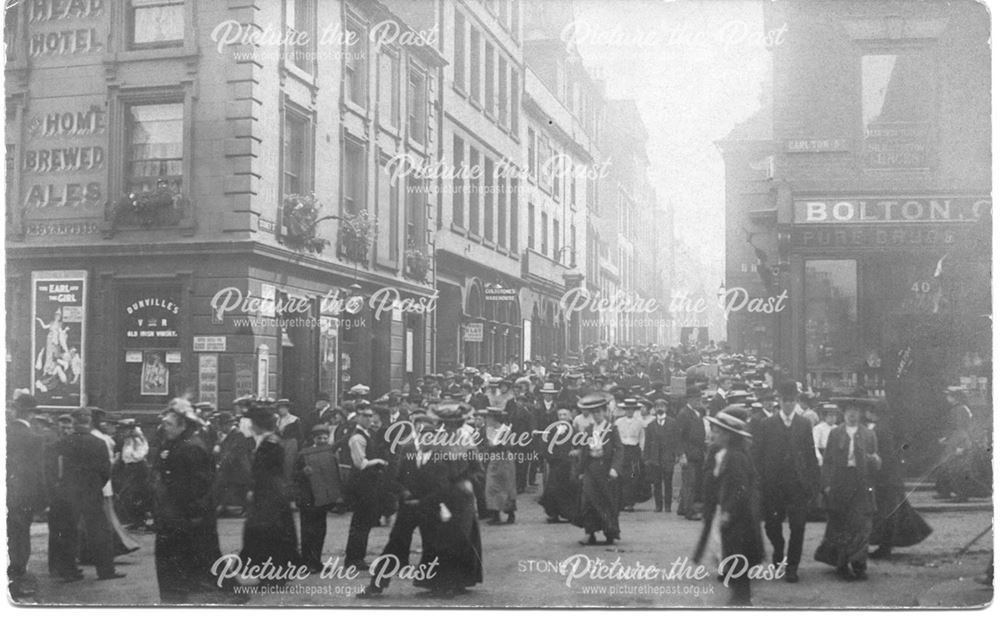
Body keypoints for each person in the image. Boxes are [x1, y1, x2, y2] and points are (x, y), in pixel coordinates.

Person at [154, 398, 230, 602]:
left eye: (169, 424)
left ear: (183, 424)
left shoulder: (191, 447)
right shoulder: (175, 443)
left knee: (201, 556)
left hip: (188, 512)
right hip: (176, 511)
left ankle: (183, 595)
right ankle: (179, 593)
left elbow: (200, 485)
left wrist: (193, 512)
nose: (165, 427)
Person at [414, 402, 484, 597]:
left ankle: (457, 581)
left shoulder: (468, 441)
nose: (451, 427)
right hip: (440, 495)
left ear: (461, 423)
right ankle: (438, 582)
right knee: (438, 538)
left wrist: (469, 482)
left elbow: (478, 470)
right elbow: (431, 468)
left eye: (455, 424)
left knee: (460, 536)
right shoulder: (438, 441)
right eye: (447, 423)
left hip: (462, 498)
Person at [751, 380, 819, 583]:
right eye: (785, 400)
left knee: (798, 526)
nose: (788, 404)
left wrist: (814, 482)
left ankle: (792, 567)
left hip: (797, 484)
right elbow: (758, 456)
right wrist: (759, 480)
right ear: (778, 401)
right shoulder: (767, 424)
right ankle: (779, 549)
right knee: (772, 525)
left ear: (796, 401)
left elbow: (810, 455)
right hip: (773, 484)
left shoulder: (804, 424)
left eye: (792, 401)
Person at [694, 408, 763, 606]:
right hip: (734, 516)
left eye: (716, 431)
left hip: (739, 519)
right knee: (732, 556)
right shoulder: (726, 453)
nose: (713, 434)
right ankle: (739, 597)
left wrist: (729, 512)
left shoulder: (735, 457)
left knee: (738, 558)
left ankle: (741, 601)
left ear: (727, 435)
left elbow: (741, 489)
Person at [49, 408, 124, 582]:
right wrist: (96, 486)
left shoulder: (63, 442)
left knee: (68, 531)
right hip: (92, 493)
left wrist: (58, 486)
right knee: (99, 531)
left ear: (74, 423)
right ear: (89, 422)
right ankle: (105, 570)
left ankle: (69, 571)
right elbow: (106, 471)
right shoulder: (99, 443)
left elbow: (50, 464)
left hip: (68, 493)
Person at [815, 398, 881, 581]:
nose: (852, 414)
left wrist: (874, 461)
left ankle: (859, 565)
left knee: (861, 525)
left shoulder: (868, 434)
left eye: (855, 411)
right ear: (843, 414)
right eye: (848, 411)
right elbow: (828, 461)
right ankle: (842, 564)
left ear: (860, 414)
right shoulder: (836, 433)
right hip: (840, 483)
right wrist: (826, 484)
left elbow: (875, 460)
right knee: (840, 523)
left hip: (861, 483)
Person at [241, 400, 301, 581]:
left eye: (253, 423)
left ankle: (271, 575)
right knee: (274, 533)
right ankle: (276, 573)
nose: (250, 427)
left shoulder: (270, 444)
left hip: (269, 494)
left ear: (259, 425)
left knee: (267, 534)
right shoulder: (270, 441)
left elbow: (266, 472)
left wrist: (255, 491)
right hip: (273, 493)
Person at [866, 401, 932, 559]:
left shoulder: (879, 429)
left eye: (868, 411)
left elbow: (884, 454)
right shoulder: (887, 426)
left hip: (885, 478)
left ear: (874, 413)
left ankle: (885, 547)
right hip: (892, 477)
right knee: (897, 512)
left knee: (887, 513)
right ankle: (887, 545)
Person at [7, 394, 47, 598]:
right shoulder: (33, 438)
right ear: (31, 414)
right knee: (20, 538)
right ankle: (16, 581)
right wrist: (42, 501)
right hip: (23, 495)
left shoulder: (5, 431)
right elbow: (37, 472)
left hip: (6, 493)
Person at [572, 393, 624, 546]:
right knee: (587, 500)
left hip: (606, 469)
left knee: (607, 502)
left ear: (605, 412)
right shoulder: (588, 430)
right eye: (594, 412)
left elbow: (619, 450)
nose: (597, 415)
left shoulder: (611, 429)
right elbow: (584, 451)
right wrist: (580, 471)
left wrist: (615, 468)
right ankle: (590, 533)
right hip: (591, 468)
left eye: (599, 412)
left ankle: (610, 532)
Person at [344, 404, 389, 568]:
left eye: (370, 416)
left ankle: (357, 557)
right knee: (361, 521)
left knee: (364, 520)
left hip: (369, 482)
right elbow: (360, 463)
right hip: (361, 483)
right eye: (365, 416)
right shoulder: (357, 437)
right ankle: (353, 558)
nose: (369, 419)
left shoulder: (368, 434)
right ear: (357, 418)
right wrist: (378, 461)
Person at [294, 425, 337, 572]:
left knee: (320, 531)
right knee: (308, 531)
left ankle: (317, 561)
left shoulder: (329, 452)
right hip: (307, 497)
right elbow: (293, 474)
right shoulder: (303, 454)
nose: (323, 440)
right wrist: (302, 472)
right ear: (314, 439)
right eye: (320, 438)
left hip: (322, 498)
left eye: (325, 438)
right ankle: (307, 563)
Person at [538, 408, 580, 523]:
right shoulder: (552, 430)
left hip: (568, 465)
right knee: (552, 489)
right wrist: (549, 457)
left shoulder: (574, 430)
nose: (562, 417)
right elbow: (545, 444)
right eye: (560, 415)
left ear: (570, 417)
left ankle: (567, 514)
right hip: (555, 464)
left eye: (565, 415)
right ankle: (553, 513)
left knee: (566, 490)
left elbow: (580, 445)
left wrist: (576, 452)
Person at [481, 407, 517, 525]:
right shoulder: (488, 430)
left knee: (506, 486)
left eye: (488, 417)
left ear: (494, 418)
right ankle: (495, 514)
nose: (486, 420)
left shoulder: (505, 430)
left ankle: (510, 514)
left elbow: (509, 445)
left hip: (505, 459)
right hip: (494, 460)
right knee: (492, 487)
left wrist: (496, 445)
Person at [214, 411, 254, 517]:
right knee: (228, 487)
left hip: (240, 468)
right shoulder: (229, 435)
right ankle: (223, 507)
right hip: (233, 467)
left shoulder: (237, 434)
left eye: (221, 425)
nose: (220, 428)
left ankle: (248, 510)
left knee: (242, 490)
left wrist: (221, 464)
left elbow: (232, 452)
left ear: (227, 424)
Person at [676, 386, 707, 521]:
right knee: (690, 483)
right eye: (695, 398)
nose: (698, 401)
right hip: (688, 453)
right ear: (689, 399)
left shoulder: (696, 413)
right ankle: (690, 511)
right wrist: (681, 455)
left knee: (691, 482)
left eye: (699, 398)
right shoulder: (684, 414)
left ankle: (682, 508)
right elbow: (678, 437)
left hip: (697, 452)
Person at [644, 399, 679, 513]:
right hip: (655, 459)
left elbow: (676, 440)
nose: (660, 408)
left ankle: (668, 506)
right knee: (657, 483)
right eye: (658, 406)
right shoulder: (650, 426)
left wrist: (677, 455)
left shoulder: (673, 423)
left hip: (668, 458)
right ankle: (658, 506)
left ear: (666, 408)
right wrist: (646, 458)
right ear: (654, 408)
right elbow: (647, 443)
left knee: (668, 483)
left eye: (662, 406)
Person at [614, 398, 648, 512]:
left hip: (634, 450)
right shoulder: (618, 422)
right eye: (627, 409)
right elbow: (615, 437)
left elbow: (642, 438)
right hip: (622, 449)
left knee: (632, 476)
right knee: (620, 475)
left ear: (634, 410)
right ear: (624, 410)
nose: (629, 411)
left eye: (631, 409)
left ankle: (630, 503)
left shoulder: (639, 423)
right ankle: (620, 502)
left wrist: (642, 450)